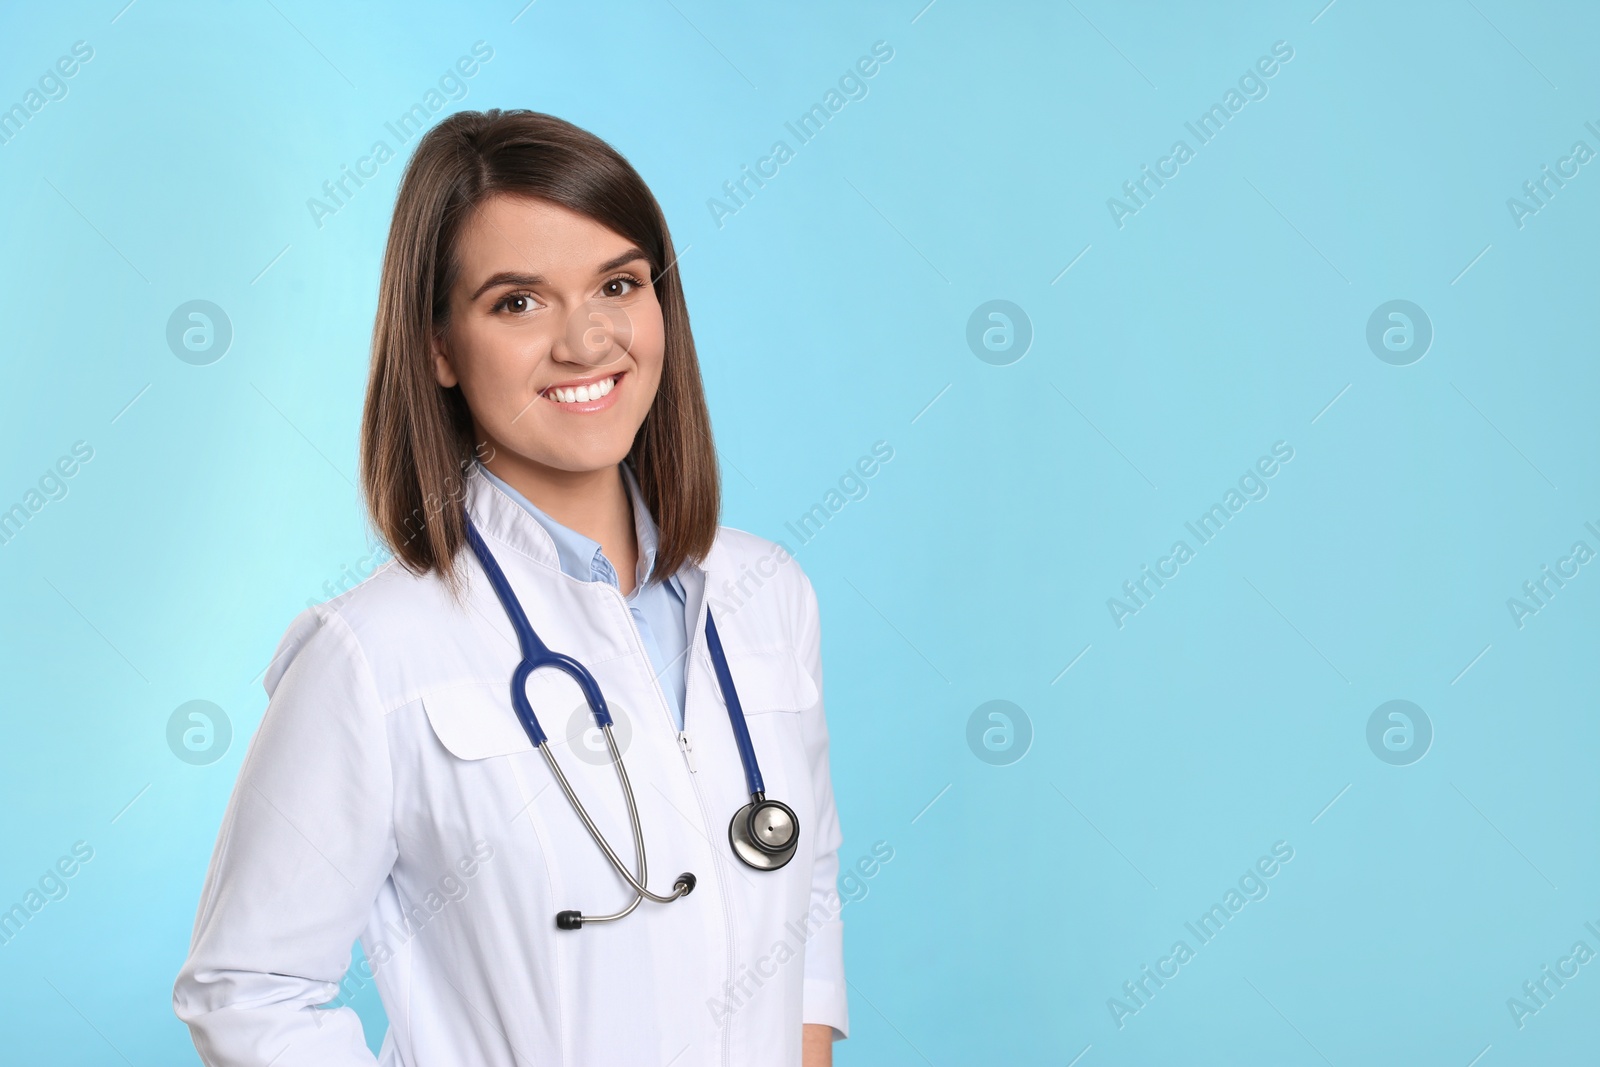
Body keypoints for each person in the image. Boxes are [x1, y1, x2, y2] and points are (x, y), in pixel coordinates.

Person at [172, 109, 847, 1067]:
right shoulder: (370, 657)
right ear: (440, 347)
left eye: (619, 282)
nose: (586, 341)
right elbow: (246, 988)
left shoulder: (769, 592)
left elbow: (801, 875)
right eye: (518, 303)